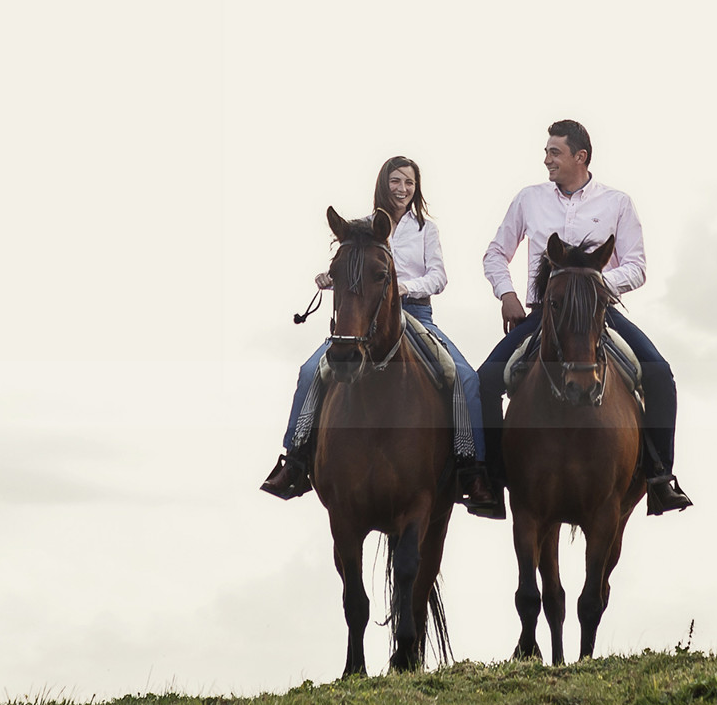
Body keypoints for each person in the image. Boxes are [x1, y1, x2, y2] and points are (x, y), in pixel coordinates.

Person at [475, 119, 692, 518]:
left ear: (581, 157)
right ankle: (490, 480)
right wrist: (506, 294)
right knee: (483, 381)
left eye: (554, 152)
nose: (546, 160)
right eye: (546, 152)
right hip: (544, 316)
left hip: (598, 315)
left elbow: (637, 266)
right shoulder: (529, 199)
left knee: (660, 376)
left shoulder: (617, 202)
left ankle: (661, 476)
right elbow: (495, 254)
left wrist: (590, 286)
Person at [260, 156, 499, 516]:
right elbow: (352, 275)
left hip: (415, 313)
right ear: (383, 184)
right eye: (396, 181)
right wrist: (330, 278)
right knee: (310, 371)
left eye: (410, 183)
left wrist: (400, 288)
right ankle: (294, 460)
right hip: (364, 321)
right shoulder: (363, 227)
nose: (403, 189)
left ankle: (472, 468)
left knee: (463, 376)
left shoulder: (425, 230)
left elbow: (439, 277)